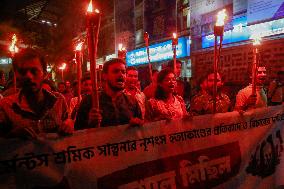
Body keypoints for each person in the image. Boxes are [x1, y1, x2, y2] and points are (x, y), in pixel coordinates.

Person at [0, 48, 74, 138]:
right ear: (16, 74)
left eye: (34, 71)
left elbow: (68, 123)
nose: (29, 76)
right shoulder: (6, 106)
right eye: (23, 72)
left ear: (45, 73)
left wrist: (69, 124)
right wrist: (12, 135)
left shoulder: (58, 100)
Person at [75, 58, 143, 130]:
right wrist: (90, 123)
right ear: (105, 76)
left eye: (123, 72)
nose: (120, 74)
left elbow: (141, 130)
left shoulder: (132, 102)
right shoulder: (89, 101)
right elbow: (77, 130)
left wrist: (136, 124)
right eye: (115, 71)